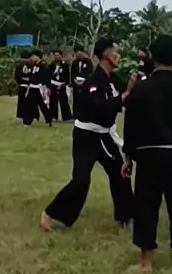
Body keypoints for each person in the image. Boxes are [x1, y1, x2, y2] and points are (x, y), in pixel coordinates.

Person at [123, 36, 172, 273]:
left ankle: (146, 262)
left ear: (153, 57)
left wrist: (128, 157)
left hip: (149, 156)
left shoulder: (141, 89)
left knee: (146, 207)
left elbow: (131, 125)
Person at [41, 37, 135, 230]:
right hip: (86, 137)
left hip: (105, 136)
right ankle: (51, 213)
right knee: (81, 180)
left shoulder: (113, 79)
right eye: (115, 52)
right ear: (106, 54)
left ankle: (126, 216)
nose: (118, 56)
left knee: (121, 173)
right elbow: (101, 107)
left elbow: (130, 94)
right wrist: (125, 95)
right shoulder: (92, 82)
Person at [22, 50, 52, 126]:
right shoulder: (33, 66)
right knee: (29, 104)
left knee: (42, 105)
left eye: (33, 56)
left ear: (37, 57)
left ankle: (49, 119)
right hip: (32, 87)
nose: (31, 58)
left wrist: (47, 88)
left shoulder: (43, 67)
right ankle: (27, 121)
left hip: (39, 88)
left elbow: (46, 78)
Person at [48, 50, 72, 121]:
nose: (56, 57)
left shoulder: (65, 66)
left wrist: (65, 83)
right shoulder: (51, 66)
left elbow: (67, 76)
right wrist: (49, 86)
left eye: (58, 55)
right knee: (53, 101)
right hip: (53, 84)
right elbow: (48, 76)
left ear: (61, 56)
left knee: (64, 101)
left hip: (62, 84)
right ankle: (53, 116)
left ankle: (67, 117)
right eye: (55, 55)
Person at [70, 45, 94, 117]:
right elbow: (72, 73)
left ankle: (85, 114)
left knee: (85, 99)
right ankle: (75, 115)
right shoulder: (74, 63)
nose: (76, 54)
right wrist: (74, 80)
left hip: (85, 83)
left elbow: (90, 73)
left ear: (81, 52)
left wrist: (85, 81)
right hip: (76, 84)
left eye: (77, 52)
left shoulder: (88, 62)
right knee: (76, 99)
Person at [15, 50, 32, 120]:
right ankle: (25, 114)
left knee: (22, 100)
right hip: (26, 84)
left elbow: (17, 76)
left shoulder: (20, 64)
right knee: (26, 101)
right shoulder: (27, 65)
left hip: (22, 84)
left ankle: (22, 114)